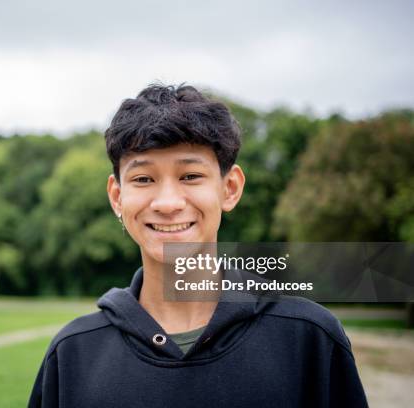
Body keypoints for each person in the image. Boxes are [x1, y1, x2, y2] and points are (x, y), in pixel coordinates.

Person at [28, 84, 368, 407]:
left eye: (190, 176)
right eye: (143, 179)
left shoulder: (309, 338)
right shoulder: (73, 352)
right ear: (118, 197)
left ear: (230, 188)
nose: (167, 202)